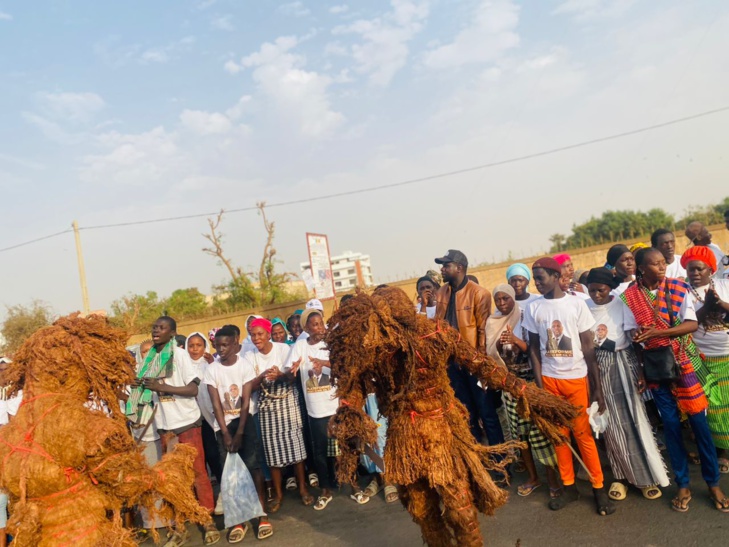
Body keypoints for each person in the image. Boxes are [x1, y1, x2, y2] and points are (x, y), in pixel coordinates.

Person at [620, 247, 727, 513]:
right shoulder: (629, 297)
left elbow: (691, 324)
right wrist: (642, 372)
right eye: (654, 264)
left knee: (699, 424)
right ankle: (683, 484)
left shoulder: (678, 288)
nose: (661, 267)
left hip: (684, 364)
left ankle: (713, 483)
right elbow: (634, 340)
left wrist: (660, 332)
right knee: (670, 427)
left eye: (662, 263)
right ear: (641, 269)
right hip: (656, 370)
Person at [525, 257, 614, 515]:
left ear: (555, 276)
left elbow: (588, 347)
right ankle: (569, 486)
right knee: (559, 437)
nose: (536, 283)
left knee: (583, 436)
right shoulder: (534, 308)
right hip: (550, 382)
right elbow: (533, 350)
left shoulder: (576, 304)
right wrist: (541, 387)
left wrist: (596, 388)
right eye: (535, 278)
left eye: (540, 278)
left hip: (576, 378)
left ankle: (598, 487)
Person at [585, 268, 669, 502]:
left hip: (623, 363)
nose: (595, 295)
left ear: (609, 288)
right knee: (610, 425)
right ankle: (620, 477)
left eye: (600, 290)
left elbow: (634, 341)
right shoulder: (582, 306)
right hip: (597, 367)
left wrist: (640, 372)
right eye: (591, 290)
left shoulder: (621, 305)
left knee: (634, 420)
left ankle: (645, 478)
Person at [141, 317, 220, 546]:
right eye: (154, 327)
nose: (156, 330)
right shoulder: (152, 358)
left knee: (197, 474)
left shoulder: (182, 355)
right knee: (172, 481)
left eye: (161, 327)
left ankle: (207, 521)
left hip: (186, 423)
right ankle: (179, 526)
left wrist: (161, 387)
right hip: (165, 427)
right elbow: (147, 393)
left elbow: (193, 389)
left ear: (172, 333)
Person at [485, 285, 559, 498]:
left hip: (530, 382)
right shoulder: (493, 321)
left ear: (512, 299)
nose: (501, 304)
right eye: (497, 300)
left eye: (505, 299)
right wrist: (500, 345)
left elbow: (535, 349)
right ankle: (533, 477)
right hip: (510, 384)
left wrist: (516, 341)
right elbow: (492, 353)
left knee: (540, 431)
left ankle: (553, 479)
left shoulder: (525, 317)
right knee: (521, 434)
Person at [204, 326, 272, 542]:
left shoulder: (244, 366)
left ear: (235, 344)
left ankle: (261, 515)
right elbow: (216, 404)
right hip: (222, 427)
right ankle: (238, 520)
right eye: (218, 346)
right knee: (230, 474)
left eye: (226, 345)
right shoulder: (212, 370)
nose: (221, 349)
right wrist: (225, 433)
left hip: (245, 423)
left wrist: (240, 432)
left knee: (253, 467)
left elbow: (244, 402)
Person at [434, 249, 504, 447]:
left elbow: (483, 331)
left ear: (459, 268)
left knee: (487, 413)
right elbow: (437, 327)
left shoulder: (479, 293)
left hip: (473, 364)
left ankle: (500, 460)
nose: (442, 269)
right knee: (466, 414)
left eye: (446, 265)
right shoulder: (441, 293)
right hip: (451, 365)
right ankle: (478, 461)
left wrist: (480, 365)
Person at [242, 318, 313, 512]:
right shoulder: (249, 356)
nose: (256, 338)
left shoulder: (283, 349)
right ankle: (279, 495)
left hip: (288, 400)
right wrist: (263, 376)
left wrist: (280, 375)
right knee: (272, 452)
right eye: (253, 335)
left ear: (267, 334)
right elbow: (248, 386)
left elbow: (293, 376)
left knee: (296, 448)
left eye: (260, 334)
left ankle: (303, 489)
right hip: (266, 406)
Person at [682, 246, 729, 476]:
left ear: (711, 269)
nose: (695, 273)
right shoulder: (684, 294)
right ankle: (720, 452)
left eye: (700, 269)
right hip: (703, 358)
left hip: (728, 354)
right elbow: (686, 324)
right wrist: (706, 308)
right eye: (691, 269)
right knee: (714, 407)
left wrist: (719, 304)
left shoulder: (724, 286)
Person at [287, 308, 340, 511]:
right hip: (315, 410)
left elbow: (342, 364)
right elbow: (290, 371)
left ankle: (348, 483)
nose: (319, 328)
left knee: (340, 447)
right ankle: (326, 488)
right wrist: (292, 370)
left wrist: (323, 362)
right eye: (314, 325)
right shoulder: (300, 345)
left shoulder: (331, 342)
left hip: (334, 404)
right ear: (307, 328)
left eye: (320, 323)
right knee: (320, 451)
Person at [185, 332, 224, 514]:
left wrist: (211, 365)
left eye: (198, 345)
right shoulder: (183, 366)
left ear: (204, 347)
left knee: (214, 455)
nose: (194, 349)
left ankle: (224, 493)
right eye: (191, 345)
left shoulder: (211, 365)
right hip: (191, 420)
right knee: (200, 461)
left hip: (209, 418)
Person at [0, 357, 21, 547]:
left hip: (14, 447)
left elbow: (15, 423)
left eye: (7, 370)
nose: (4, 374)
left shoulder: (17, 393)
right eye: (1, 370)